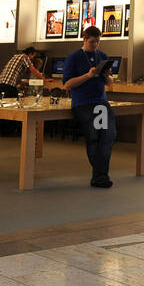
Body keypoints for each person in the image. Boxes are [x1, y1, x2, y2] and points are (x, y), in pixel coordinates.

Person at [63, 26, 117, 187]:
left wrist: (107, 77)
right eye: (92, 42)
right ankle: (100, 176)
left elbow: (110, 83)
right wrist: (88, 75)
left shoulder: (102, 56)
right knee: (93, 137)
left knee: (107, 136)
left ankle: (100, 175)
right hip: (84, 104)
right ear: (85, 39)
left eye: (98, 42)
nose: (95, 45)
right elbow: (67, 84)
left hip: (100, 103)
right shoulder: (74, 58)